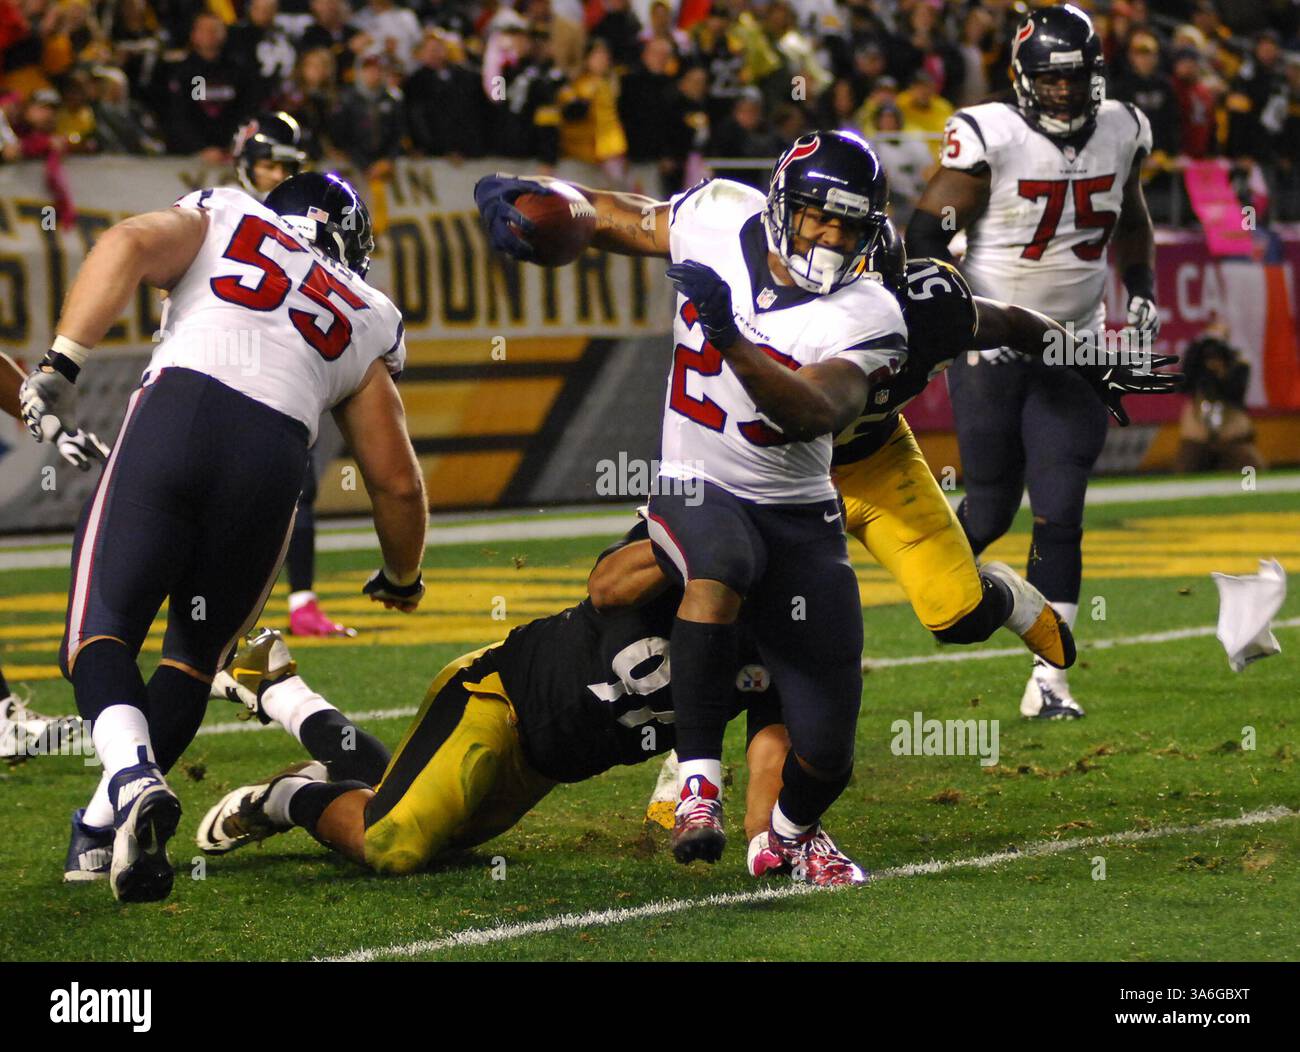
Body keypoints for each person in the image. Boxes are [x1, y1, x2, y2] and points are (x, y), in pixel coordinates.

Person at [476, 130, 908, 885]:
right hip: (692, 482)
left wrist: (731, 338)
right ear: (781, 206)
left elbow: (809, 410)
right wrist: (531, 197)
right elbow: (620, 216)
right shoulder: (717, 213)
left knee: (829, 745)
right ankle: (698, 785)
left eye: (849, 224)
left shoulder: (870, 311)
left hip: (797, 511)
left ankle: (790, 835)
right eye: (817, 217)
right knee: (722, 561)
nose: (832, 237)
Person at [18, 172, 427, 902]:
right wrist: (401, 577)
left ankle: (132, 779)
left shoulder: (228, 212)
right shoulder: (367, 310)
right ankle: (99, 831)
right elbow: (396, 480)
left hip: (183, 412)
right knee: (191, 659)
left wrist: (62, 363)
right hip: (273, 464)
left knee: (97, 636)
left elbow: (128, 242)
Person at [195, 526, 859, 883]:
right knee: (393, 843)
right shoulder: (698, 541)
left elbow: (770, 751)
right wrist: (703, 547)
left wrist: (771, 841)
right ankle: (278, 800)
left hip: (544, 764)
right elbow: (604, 587)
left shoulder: (781, 634)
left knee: (429, 833)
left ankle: (286, 695)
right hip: (499, 696)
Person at [906, 5, 1160, 719]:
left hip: (1077, 341)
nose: (1065, 94)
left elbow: (1133, 218)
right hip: (992, 338)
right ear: (1022, 80)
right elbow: (928, 227)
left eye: (1076, 81)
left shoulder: (1125, 129)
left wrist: (1141, 291)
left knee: (1061, 508)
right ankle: (923, 579)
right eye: (1050, 82)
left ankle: (1050, 682)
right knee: (988, 505)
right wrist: (940, 299)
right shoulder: (990, 133)